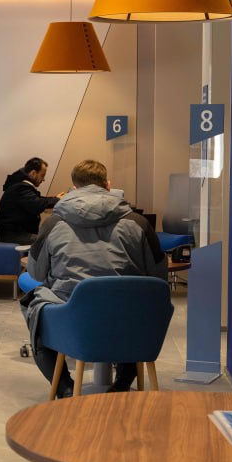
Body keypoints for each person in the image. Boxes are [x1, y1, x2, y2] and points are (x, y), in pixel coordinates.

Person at [21, 159, 166, 397]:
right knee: (133, 306)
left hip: (71, 317)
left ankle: (66, 389)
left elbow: (36, 273)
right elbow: (158, 275)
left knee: (32, 307)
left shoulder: (54, 223)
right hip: (128, 318)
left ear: (74, 188)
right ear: (108, 185)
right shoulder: (137, 222)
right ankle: (122, 384)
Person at [0, 157, 62, 245]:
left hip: (15, 232)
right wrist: (57, 199)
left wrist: (56, 199)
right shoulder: (20, 188)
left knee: (50, 239)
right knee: (50, 242)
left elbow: (38, 200)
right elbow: (37, 204)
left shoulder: (20, 186)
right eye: (42, 175)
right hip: (12, 235)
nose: (43, 179)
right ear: (33, 173)